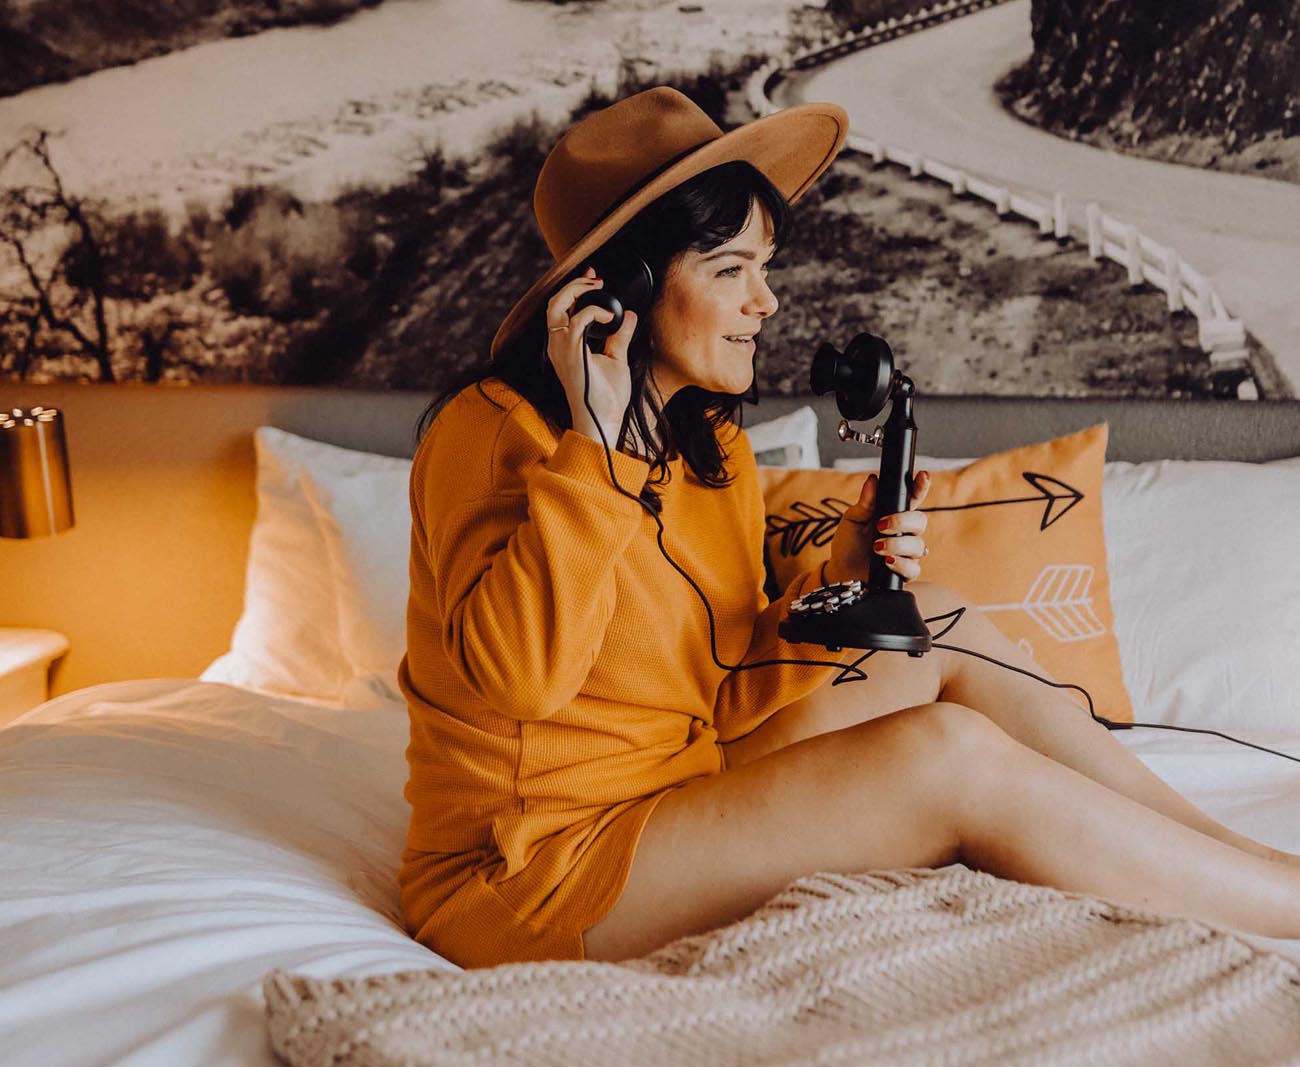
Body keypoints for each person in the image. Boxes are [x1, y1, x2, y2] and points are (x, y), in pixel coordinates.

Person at [397, 87, 1300, 969]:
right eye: (730, 271)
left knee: (932, 622)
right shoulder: (490, 433)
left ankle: (1241, 859)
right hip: (534, 872)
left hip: (683, 775)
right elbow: (522, 680)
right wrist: (595, 449)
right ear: (623, 291)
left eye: (765, 267)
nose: (767, 303)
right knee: (944, 755)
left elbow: (723, 672)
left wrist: (844, 572)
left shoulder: (705, 439)